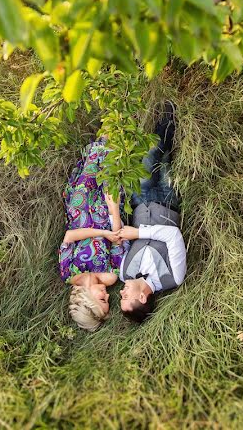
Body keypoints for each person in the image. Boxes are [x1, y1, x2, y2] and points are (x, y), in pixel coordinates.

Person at [116, 103, 187, 323]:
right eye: (125, 297)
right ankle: (177, 124)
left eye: (121, 295)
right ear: (142, 298)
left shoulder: (123, 274)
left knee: (150, 155)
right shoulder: (173, 277)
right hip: (167, 201)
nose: (121, 292)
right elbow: (173, 236)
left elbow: (122, 240)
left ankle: (169, 107)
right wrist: (138, 234)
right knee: (167, 161)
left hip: (140, 201)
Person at [58, 138, 129, 331]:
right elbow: (118, 240)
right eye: (107, 300)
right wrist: (114, 211)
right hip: (106, 212)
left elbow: (69, 237)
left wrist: (102, 233)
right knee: (113, 165)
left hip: (80, 208)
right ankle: (120, 128)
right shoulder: (110, 277)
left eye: (101, 299)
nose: (107, 295)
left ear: (87, 298)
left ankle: (109, 125)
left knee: (93, 160)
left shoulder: (68, 273)